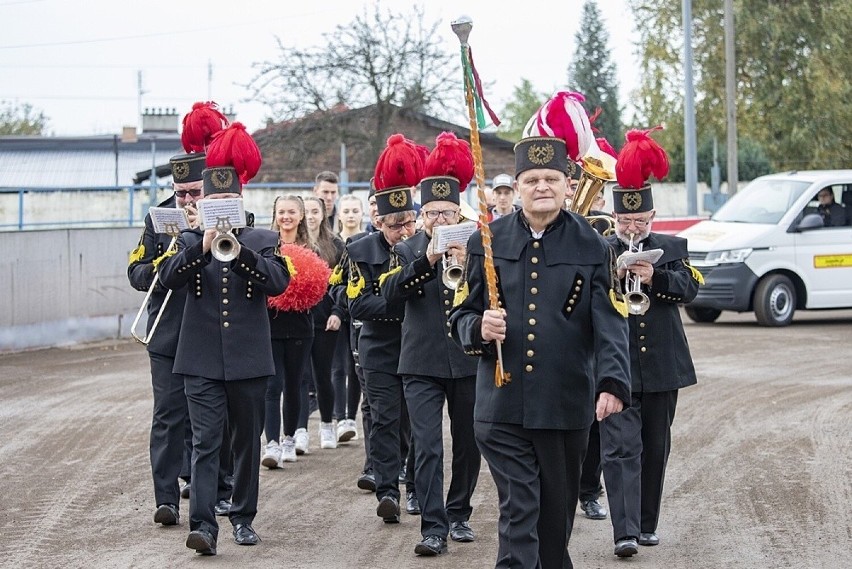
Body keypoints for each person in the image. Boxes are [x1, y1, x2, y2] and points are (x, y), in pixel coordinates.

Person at [448, 91, 631, 569]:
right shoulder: (484, 241)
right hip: (500, 405)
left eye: (551, 179)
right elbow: (460, 316)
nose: (542, 187)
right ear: (518, 187)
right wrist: (478, 328)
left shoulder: (593, 245)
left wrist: (613, 383)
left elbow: (610, 323)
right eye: (532, 180)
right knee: (520, 505)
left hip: (565, 404)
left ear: (568, 186)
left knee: (554, 520)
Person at [159, 123, 290, 555]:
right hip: (199, 361)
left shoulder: (265, 240)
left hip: (249, 360)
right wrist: (202, 246)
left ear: (240, 201)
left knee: (246, 443)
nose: (219, 209)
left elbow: (277, 283)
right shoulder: (191, 239)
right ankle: (203, 525)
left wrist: (242, 252)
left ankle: (243, 517)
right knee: (204, 442)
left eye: (226, 202)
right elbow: (166, 278)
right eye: (212, 202)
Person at [127, 101, 234, 527]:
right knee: (168, 417)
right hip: (169, 333)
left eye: (195, 193)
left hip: (212, 331)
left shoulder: (226, 215)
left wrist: (204, 233)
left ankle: (221, 490)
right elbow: (136, 271)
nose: (187, 200)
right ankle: (166, 499)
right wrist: (169, 256)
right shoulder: (159, 219)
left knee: (214, 419)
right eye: (182, 192)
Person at [599, 127, 701, 557]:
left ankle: (645, 524)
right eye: (625, 222)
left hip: (662, 364)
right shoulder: (601, 248)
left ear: (653, 217)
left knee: (655, 448)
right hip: (617, 364)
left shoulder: (672, 247)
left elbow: (692, 287)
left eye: (640, 221)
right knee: (620, 448)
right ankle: (623, 531)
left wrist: (653, 276)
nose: (633, 228)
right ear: (615, 219)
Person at [382, 132, 481, 557]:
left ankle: (459, 513)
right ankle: (433, 525)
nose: (440, 220)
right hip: (420, 362)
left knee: (469, 441)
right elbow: (390, 295)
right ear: (422, 216)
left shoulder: (476, 247)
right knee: (427, 444)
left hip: (467, 359)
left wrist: (465, 261)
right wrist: (429, 261)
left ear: (459, 212)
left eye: (448, 212)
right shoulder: (406, 249)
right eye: (433, 213)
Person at [346, 134, 420, 524]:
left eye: (409, 221)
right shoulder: (360, 251)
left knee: (417, 423)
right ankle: (388, 489)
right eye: (395, 225)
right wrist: (402, 302)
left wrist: (389, 300)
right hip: (378, 349)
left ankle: (418, 488)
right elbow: (358, 303)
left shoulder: (425, 248)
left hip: (417, 347)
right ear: (380, 222)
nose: (404, 231)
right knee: (386, 420)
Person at [261, 195, 315, 466]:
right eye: (281, 211)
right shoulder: (266, 245)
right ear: (275, 214)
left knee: (294, 385)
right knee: (273, 385)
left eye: (292, 212)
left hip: (301, 327)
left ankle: (289, 438)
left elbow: (320, 287)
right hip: (270, 325)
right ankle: (271, 444)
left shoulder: (311, 248)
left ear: (301, 215)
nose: (286, 217)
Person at [299, 195, 347, 450]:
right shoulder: (296, 243)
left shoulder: (336, 245)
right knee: (299, 378)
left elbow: (343, 284)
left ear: (323, 213)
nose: (310, 215)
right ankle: (299, 430)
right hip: (298, 319)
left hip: (325, 319)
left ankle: (328, 423)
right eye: (306, 211)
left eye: (315, 211)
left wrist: (338, 312)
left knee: (323, 375)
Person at [332, 193, 365, 442]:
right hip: (337, 310)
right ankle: (338, 415)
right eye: (347, 210)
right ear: (339, 214)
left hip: (359, 313)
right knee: (338, 366)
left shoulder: (365, 241)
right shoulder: (333, 243)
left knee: (354, 366)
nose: (351, 214)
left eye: (355, 210)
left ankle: (349, 417)